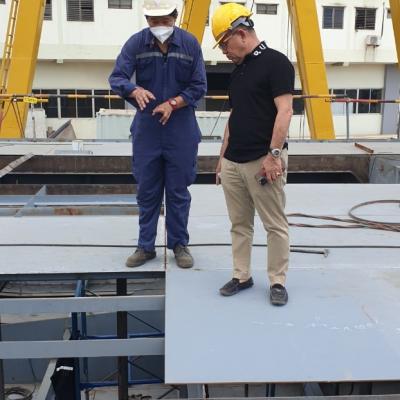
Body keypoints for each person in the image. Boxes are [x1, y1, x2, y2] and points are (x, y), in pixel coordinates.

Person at [109, 0, 207, 269]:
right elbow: (117, 77)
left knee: (178, 191)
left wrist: (173, 103)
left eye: (164, 20)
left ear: (175, 17)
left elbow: (199, 85)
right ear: (147, 20)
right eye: (154, 21)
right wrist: (133, 89)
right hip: (148, 130)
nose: (159, 26)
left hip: (181, 130)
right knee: (147, 191)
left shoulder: (189, 44)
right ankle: (145, 246)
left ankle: (179, 245)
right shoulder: (136, 44)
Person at [211, 3, 294, 305]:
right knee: (239, 224)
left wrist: (274, 155)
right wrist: (221, 159)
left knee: (274, 224)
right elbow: (234, 117)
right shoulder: (239, 72)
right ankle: (242, 275)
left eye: (224, 44)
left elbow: (285, 111)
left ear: (242, 34)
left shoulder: (277, 63)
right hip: (234, 162)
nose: (224, 51)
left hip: (262, 161)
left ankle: (277, 281)